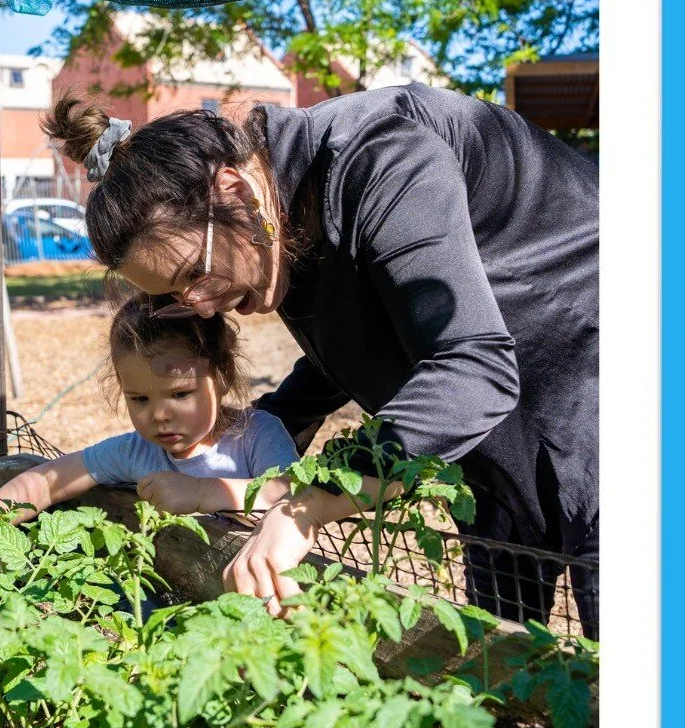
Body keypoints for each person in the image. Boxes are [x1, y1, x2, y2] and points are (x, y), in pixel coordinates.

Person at [39, 85, 599, 638]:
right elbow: (349, 348)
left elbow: (472, 366)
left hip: (597, 373)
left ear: (233, 190)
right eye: (176, 301)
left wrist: (305, 507)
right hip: (488, 443)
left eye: (195, 276)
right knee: (497, 661)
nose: (203, 309)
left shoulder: (384, 159)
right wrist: (249, 438)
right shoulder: (271, 219)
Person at [0, 293, 299, 571]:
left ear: (221, 377)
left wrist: (201, 492)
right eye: (140, 399)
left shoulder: (256, 434)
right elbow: (44, 481)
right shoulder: (136, 452)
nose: (160, 414)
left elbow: (291, 495)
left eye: (180, 394)